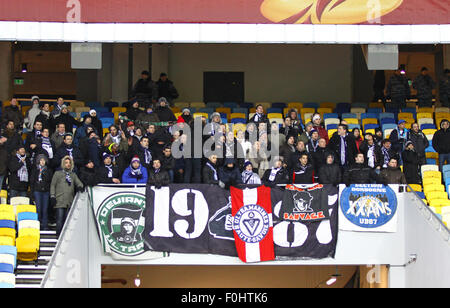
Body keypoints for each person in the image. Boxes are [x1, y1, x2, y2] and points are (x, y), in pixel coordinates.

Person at [50, 156, 84, 237]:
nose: (68, 164)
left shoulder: (73, 175)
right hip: (60, 200)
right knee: (59, 219)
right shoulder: (57, 173)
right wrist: (52, 196)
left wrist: (80, 187)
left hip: (69, 201)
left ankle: (66, 235)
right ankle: (59, 235)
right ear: (63, 164)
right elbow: (53, 185)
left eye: (69, 163)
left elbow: (79, 183)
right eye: (66, 163)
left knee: (68, 220)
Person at [30, 154, 53, 230]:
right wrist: (32, 193)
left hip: (45, 191)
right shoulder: (35, 170)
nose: (42, 162)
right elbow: (32, 182)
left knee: (45, 209)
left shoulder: (48, 170)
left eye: (43, 160)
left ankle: (45, 225)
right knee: (38, 209)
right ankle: (38, 224)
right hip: (37, 191)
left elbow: (50, 181)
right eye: (41, 160)